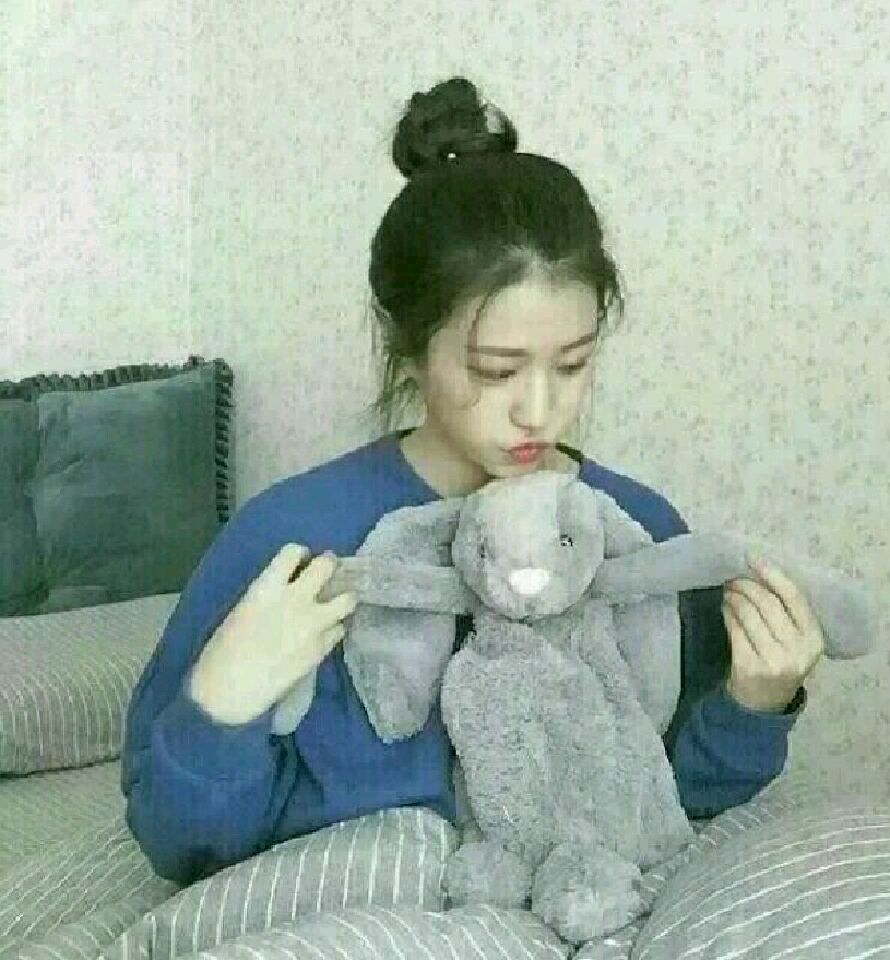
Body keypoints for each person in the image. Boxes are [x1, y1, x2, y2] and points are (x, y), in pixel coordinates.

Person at [122, 77, 824, 887]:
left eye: (573, 364)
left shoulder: (632, 529)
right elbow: (180, 848)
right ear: (409, 348)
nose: (538, 410)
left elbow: (665, 800)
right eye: (495, 371)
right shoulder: (293, 536)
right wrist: (219, 711)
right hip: (358, 916)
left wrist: (755, 704)